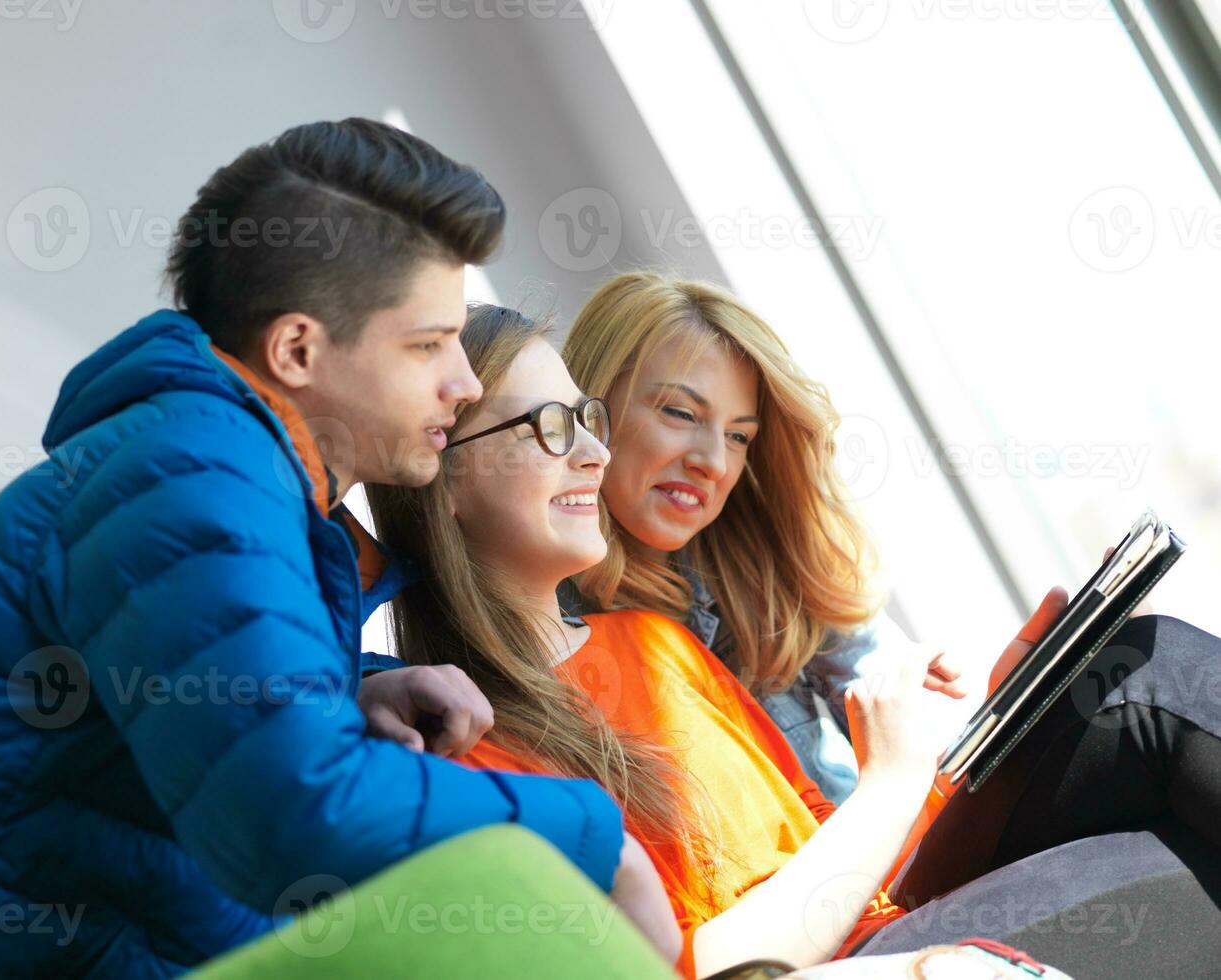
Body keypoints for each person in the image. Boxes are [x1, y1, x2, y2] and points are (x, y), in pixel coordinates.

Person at [0, 120, 672, 977]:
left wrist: (347, 693)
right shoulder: (195, 478)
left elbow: (169, 703)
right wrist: (598, 838)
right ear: (297, 349)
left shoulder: (216, 463)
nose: (462, 385)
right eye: (427, 346)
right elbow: (291, 814)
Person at [369, 302, 1221, 978]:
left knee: (1131, 673)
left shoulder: (652, 644)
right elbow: (693, 971)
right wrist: (887, 781)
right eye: (549, 428)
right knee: (1154, 692)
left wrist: (993, 720)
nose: (591, 451)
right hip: (835, 965)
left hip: (890, 924)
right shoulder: (461, 753)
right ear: (441, 476)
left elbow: (849, 855)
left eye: (587, 419)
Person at [559, 270, 951, 804]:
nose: (713, 462)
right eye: (680, 413)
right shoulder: (547, 621)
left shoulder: (761, 559)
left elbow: (922, 746)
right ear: (592, 404)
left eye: (739, 435)